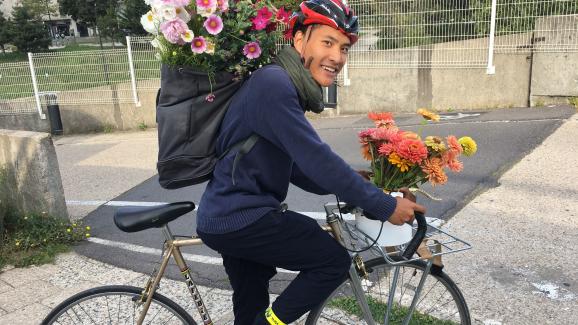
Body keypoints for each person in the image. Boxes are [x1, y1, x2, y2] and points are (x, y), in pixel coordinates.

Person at [196, 0, 426, 324]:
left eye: (344, 48)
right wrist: (384, 206)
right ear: (300, 39)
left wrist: (362, 184)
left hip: (229, 215)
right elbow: (318, 160)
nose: (337, 57)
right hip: (242, 216)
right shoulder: (274, 86)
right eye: (328, 42)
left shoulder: (282, 83)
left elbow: (297, 168)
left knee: (249, 308)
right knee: (331, 261)